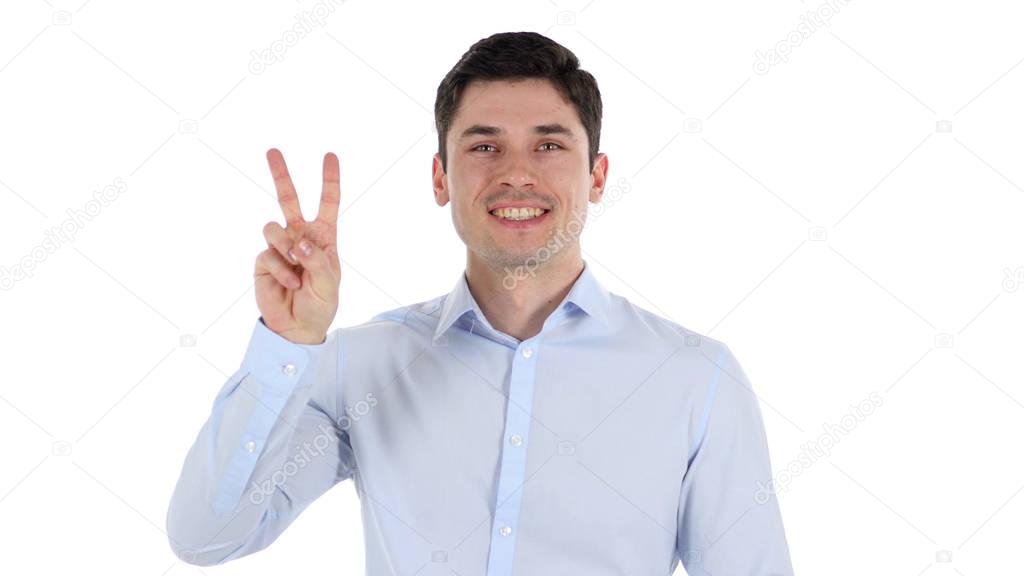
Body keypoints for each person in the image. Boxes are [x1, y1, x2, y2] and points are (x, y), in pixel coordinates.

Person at [166, 31, 794, 575]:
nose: (516, 174)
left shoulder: (693, 378)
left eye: (548, 145)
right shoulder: (360, 366)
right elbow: (206, 538)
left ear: (597, 176)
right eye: (484, 146)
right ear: (440, 178)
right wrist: (288, 344)